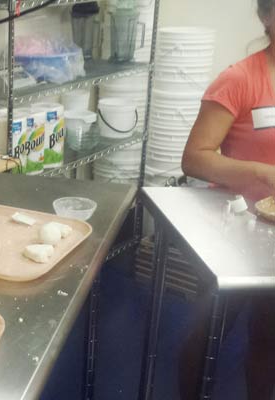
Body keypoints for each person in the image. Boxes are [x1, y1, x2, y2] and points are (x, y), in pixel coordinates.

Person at [179, 1, 275, 398]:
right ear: (268, 18)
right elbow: (194, 159)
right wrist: (260, 173)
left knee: (269, 339)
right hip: (238, 228)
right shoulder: (239, 79)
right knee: (208, 333)